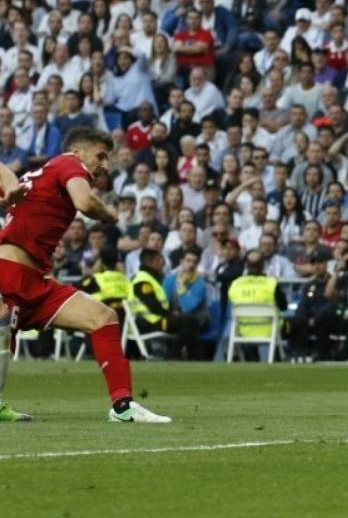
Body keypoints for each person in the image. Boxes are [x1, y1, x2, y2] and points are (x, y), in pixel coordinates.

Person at [0, 127, 169, 423]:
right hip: (7, 273)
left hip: (35, 282)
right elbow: (85, 203)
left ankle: (123, 407)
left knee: (103, 317)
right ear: (78, 151)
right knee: (1, 325)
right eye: (101, 155)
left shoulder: (42, 176)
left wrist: (11, 184)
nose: (104, 164)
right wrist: (111, 216)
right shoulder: (69, 163)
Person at [131, 248, 205, 360]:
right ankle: (172, 355)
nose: (163, 262)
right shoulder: (142, 280)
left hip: (157, 319)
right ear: (149, 261)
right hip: (149, 322)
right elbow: (153, 306)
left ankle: (194, 359)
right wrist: (170, 314)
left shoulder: (152, 278)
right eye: (159, 259)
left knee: (191, 324)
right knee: (190, 321)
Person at [227, 250, 288, 361]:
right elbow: (284, 306)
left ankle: (250, 359)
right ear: (264, 265)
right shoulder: (271, 284)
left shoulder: (235, 284)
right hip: (270, 329)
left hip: (243, 330)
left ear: (246, 265)